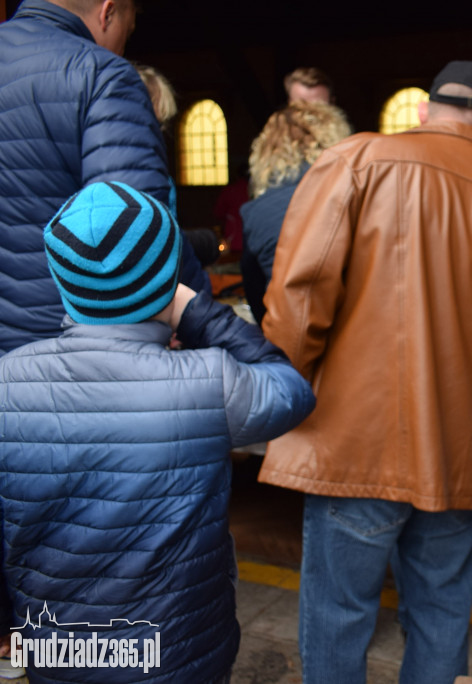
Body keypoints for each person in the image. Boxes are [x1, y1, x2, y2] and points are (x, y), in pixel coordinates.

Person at [259, 59, 472, 683]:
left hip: (352, 446)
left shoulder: (358, 162)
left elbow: (300, 302)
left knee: (338, 614)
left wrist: (286, 393)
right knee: (441, 614)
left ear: (425, 112)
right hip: (464, 457)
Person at [0, 181, 316, 683]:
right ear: (168, 277)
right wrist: (196, 311)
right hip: (180, 655)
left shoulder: (7, 381)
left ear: (62, 280)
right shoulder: (206, 382)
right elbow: (290, 390)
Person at [0, 0, 210, 355]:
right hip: (63, 347)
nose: (123, 48)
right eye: (127, 33)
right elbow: (133, 230)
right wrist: (203, 316)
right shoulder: (100, 75)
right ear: (108, 13)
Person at [240, 100, 352, 324]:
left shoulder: (257, 212)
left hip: (290, 332)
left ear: (267, 152)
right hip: (353, 329)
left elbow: (258, 299)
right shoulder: (350, 196)